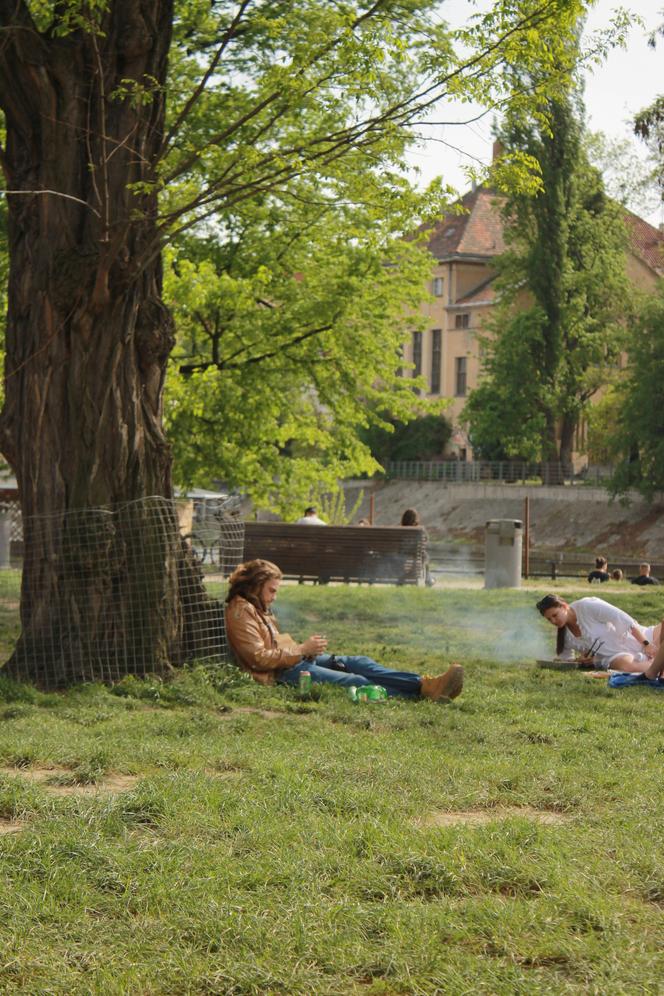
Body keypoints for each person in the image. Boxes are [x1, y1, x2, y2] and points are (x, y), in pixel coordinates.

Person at [225, 559, 463, 700]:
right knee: (356, 680)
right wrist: (300, 649)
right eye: (272, 590)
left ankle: (425, 683)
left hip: (293, 662)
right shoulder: (241, 612)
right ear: (256, 587)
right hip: (281, 674)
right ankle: (420, 693)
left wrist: (306, 651)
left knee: (360, 662)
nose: (275, 597)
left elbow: (274, 644)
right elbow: (257, 658)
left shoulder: (257, 606)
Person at [536, 594, 662, 673]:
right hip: (618, 656)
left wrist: (646, 644)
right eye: (549, 619)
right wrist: (581, 660)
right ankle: (656, 665)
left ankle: (657, 660)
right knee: (624, 667)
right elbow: (568, 661)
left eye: (555, 615)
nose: (553, 621)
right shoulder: (565, 636)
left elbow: (623, 618)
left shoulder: (586, 606)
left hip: (641, 637)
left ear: (564, 606)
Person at [400, 508, 435, 587]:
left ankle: (403, 578)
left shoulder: (400, 530)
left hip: (402, 555)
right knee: (424, 555)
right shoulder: (420, 529)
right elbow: (425, 541)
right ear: (416, 519)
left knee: (423, 555)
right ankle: (428, 579)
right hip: (417, 555)